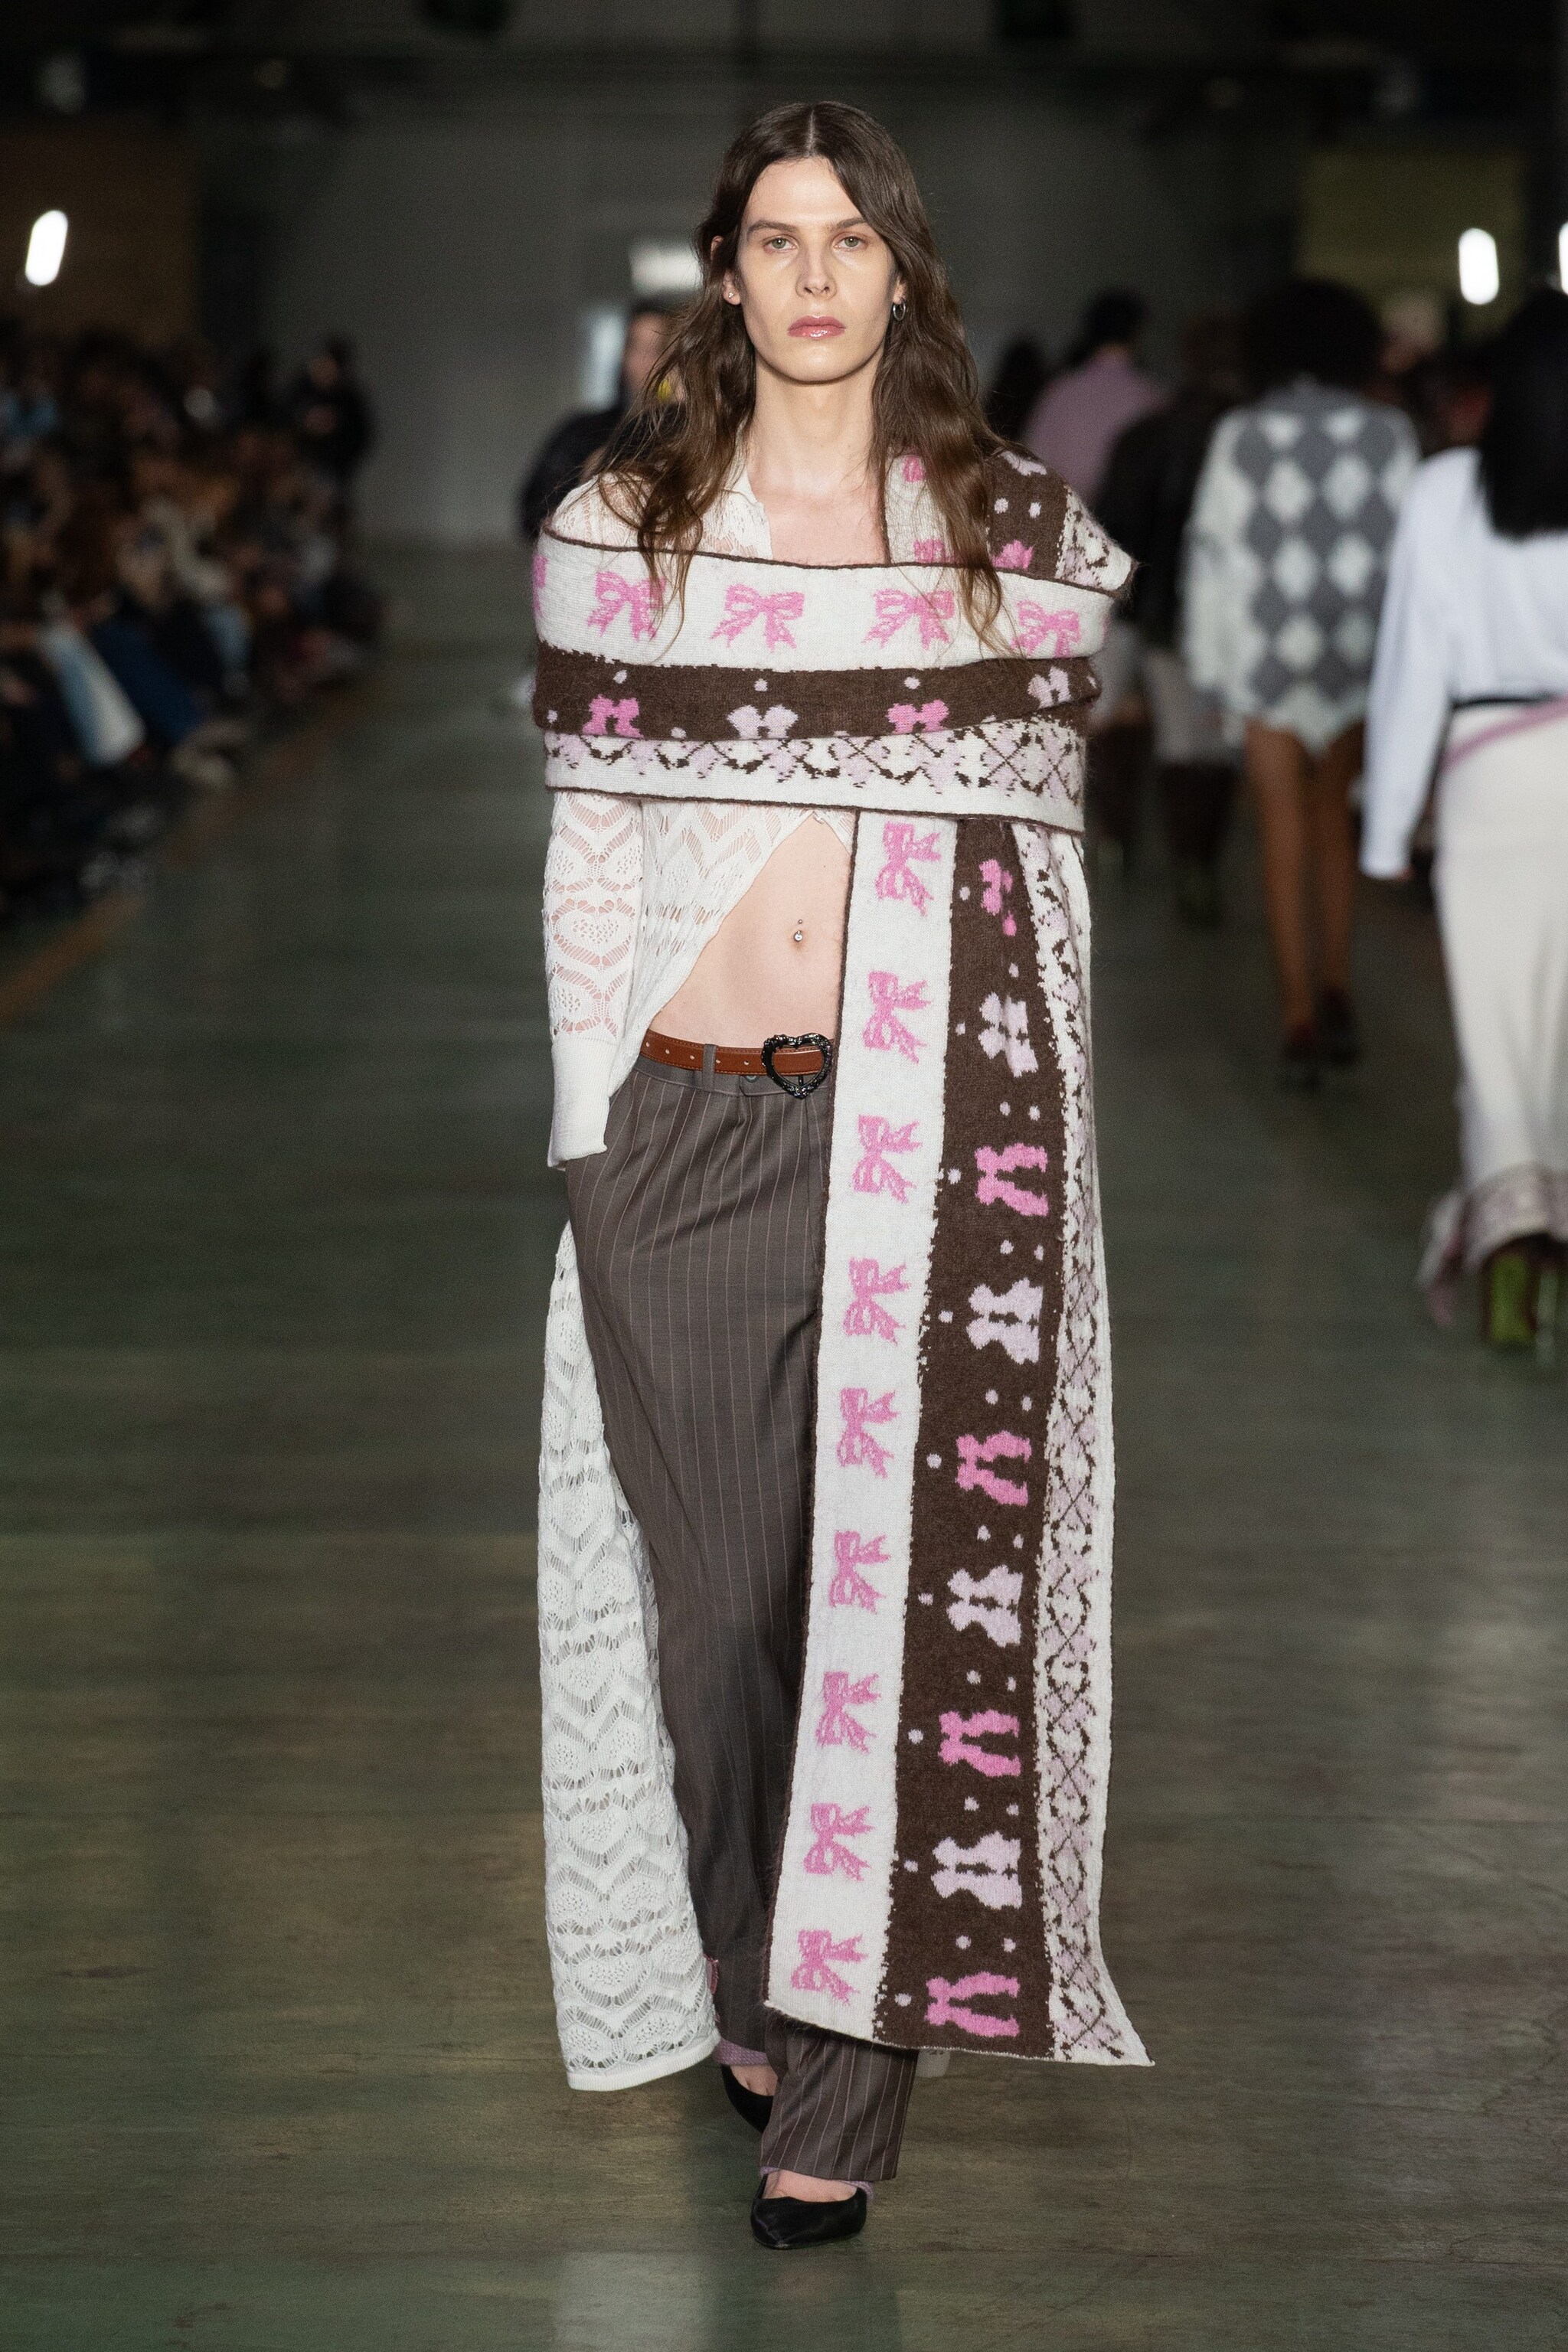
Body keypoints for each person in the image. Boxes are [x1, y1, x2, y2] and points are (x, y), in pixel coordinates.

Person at [532, 99, 1148, 2256]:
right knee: (720, 1621)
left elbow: (1046, 856)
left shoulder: (1003, 528)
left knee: (893, 1614)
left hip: (929, 1119)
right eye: (776, 240)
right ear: (726, 271)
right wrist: (586, 1130)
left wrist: (1036, 1138)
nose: (813, 278)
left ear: (903, 267)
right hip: (678, 1126)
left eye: (849, 240)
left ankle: (838, 2095)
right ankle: (745, 1961)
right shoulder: (626, 526)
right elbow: (591, 835)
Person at [1362, 289, 1568, 1351]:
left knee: (1497, 1038)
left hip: (1489, 777)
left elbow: (1412, 666)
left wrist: (1387, 828)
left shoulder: (1447, 490)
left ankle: (1508, 1255)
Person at [1184, 279, 1419, 1087]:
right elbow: (1409, 558)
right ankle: (1338, 984)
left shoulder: (1241, 434)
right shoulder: (1389, 434)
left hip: (1266, 660)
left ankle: (1296, 1015)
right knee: (1333, 827)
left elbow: (1212, 559)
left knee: (1280, 832)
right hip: (1355, 655)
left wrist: (1211, 674)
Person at [1096, 312, 1244, 924]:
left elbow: (1116, 529)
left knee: (1179, 744)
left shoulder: (1146, 436)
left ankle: (1177, 860)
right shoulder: (1251, 439)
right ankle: (1200, 864)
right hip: (1238, 620)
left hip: (1160, 615)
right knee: (1222, 749)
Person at [515, 299, 681, 543]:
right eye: (636, 347)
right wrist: (586, 479)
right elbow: (533, 513)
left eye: (658, 349)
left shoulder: (697, 438)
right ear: (622, 356)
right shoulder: (582, 433)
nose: (647, 363)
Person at [1021, 289, 1161, 509]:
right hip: (1121, 524)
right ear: (1136, 332)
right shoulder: (1149, 397)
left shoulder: (1060, 391)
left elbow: (1031, 464)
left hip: (1063, 517)